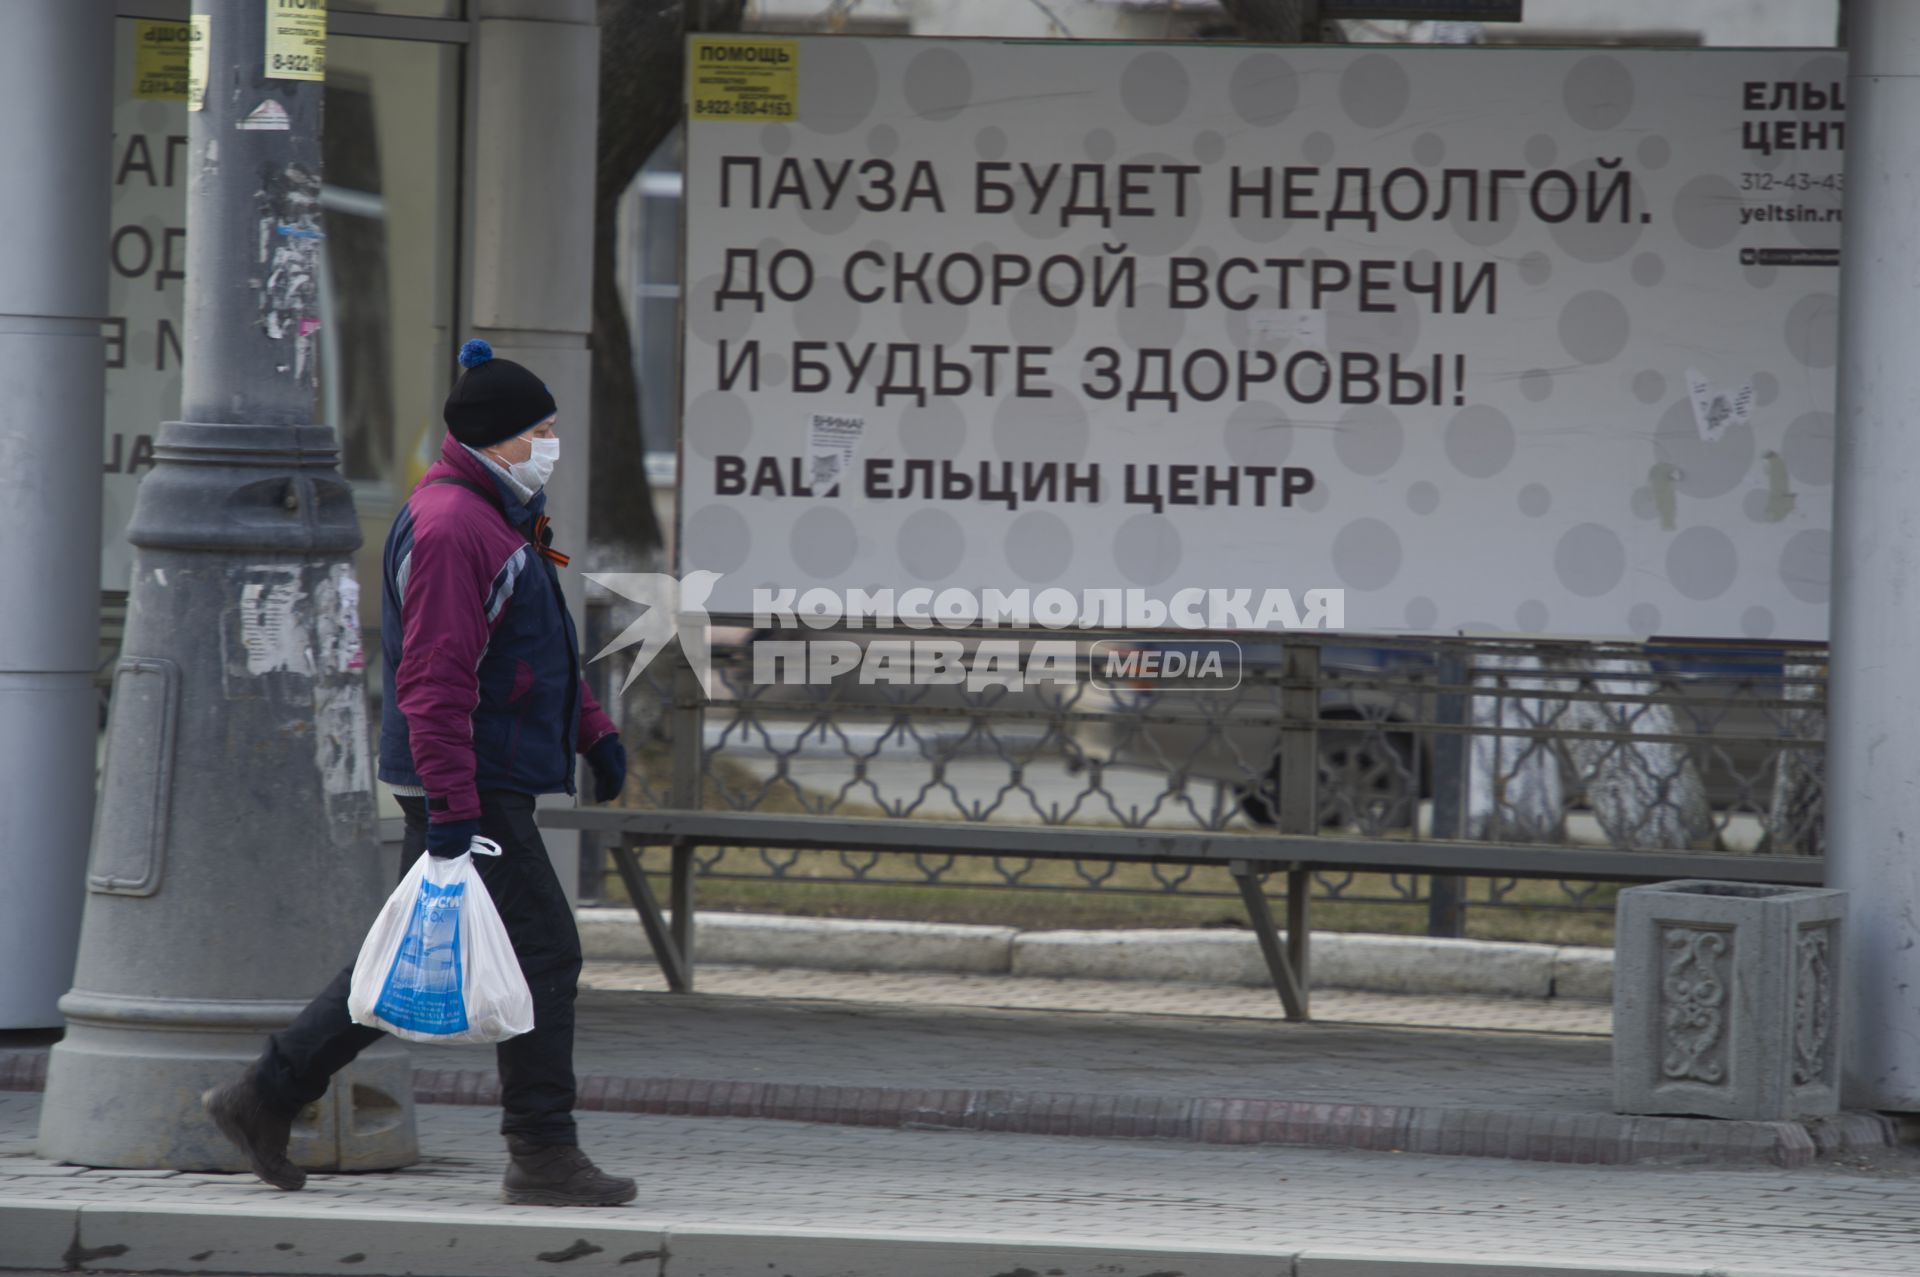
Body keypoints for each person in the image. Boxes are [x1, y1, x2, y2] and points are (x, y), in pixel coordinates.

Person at [202, 339, 635, 1207]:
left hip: (487, 770)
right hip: (471, 775)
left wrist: (592, 729)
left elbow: (546, 639)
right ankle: (543, 1152)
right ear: (496, 437)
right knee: (546, 949)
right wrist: (450, 806)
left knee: (406, 958)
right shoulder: (449, 528)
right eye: (540, 428)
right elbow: (434, 681)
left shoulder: (515, 512)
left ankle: (265, 1095)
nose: (552, 440)